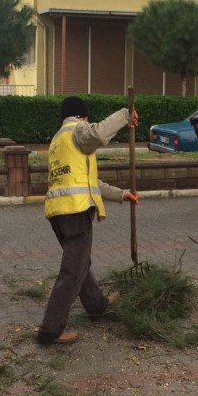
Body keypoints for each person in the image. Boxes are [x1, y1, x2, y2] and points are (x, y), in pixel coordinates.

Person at [38, 96, 139, 346]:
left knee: (80, 263)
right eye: (87, 118)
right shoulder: (78, 130)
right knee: (72, 271)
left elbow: (89, 182)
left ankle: (96, 305)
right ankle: (50, 330)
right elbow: (98, 133)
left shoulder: (58, 140)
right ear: (82, 116)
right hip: (75, 212)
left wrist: (121, 194)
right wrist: (125, 115)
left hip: (58, 213)